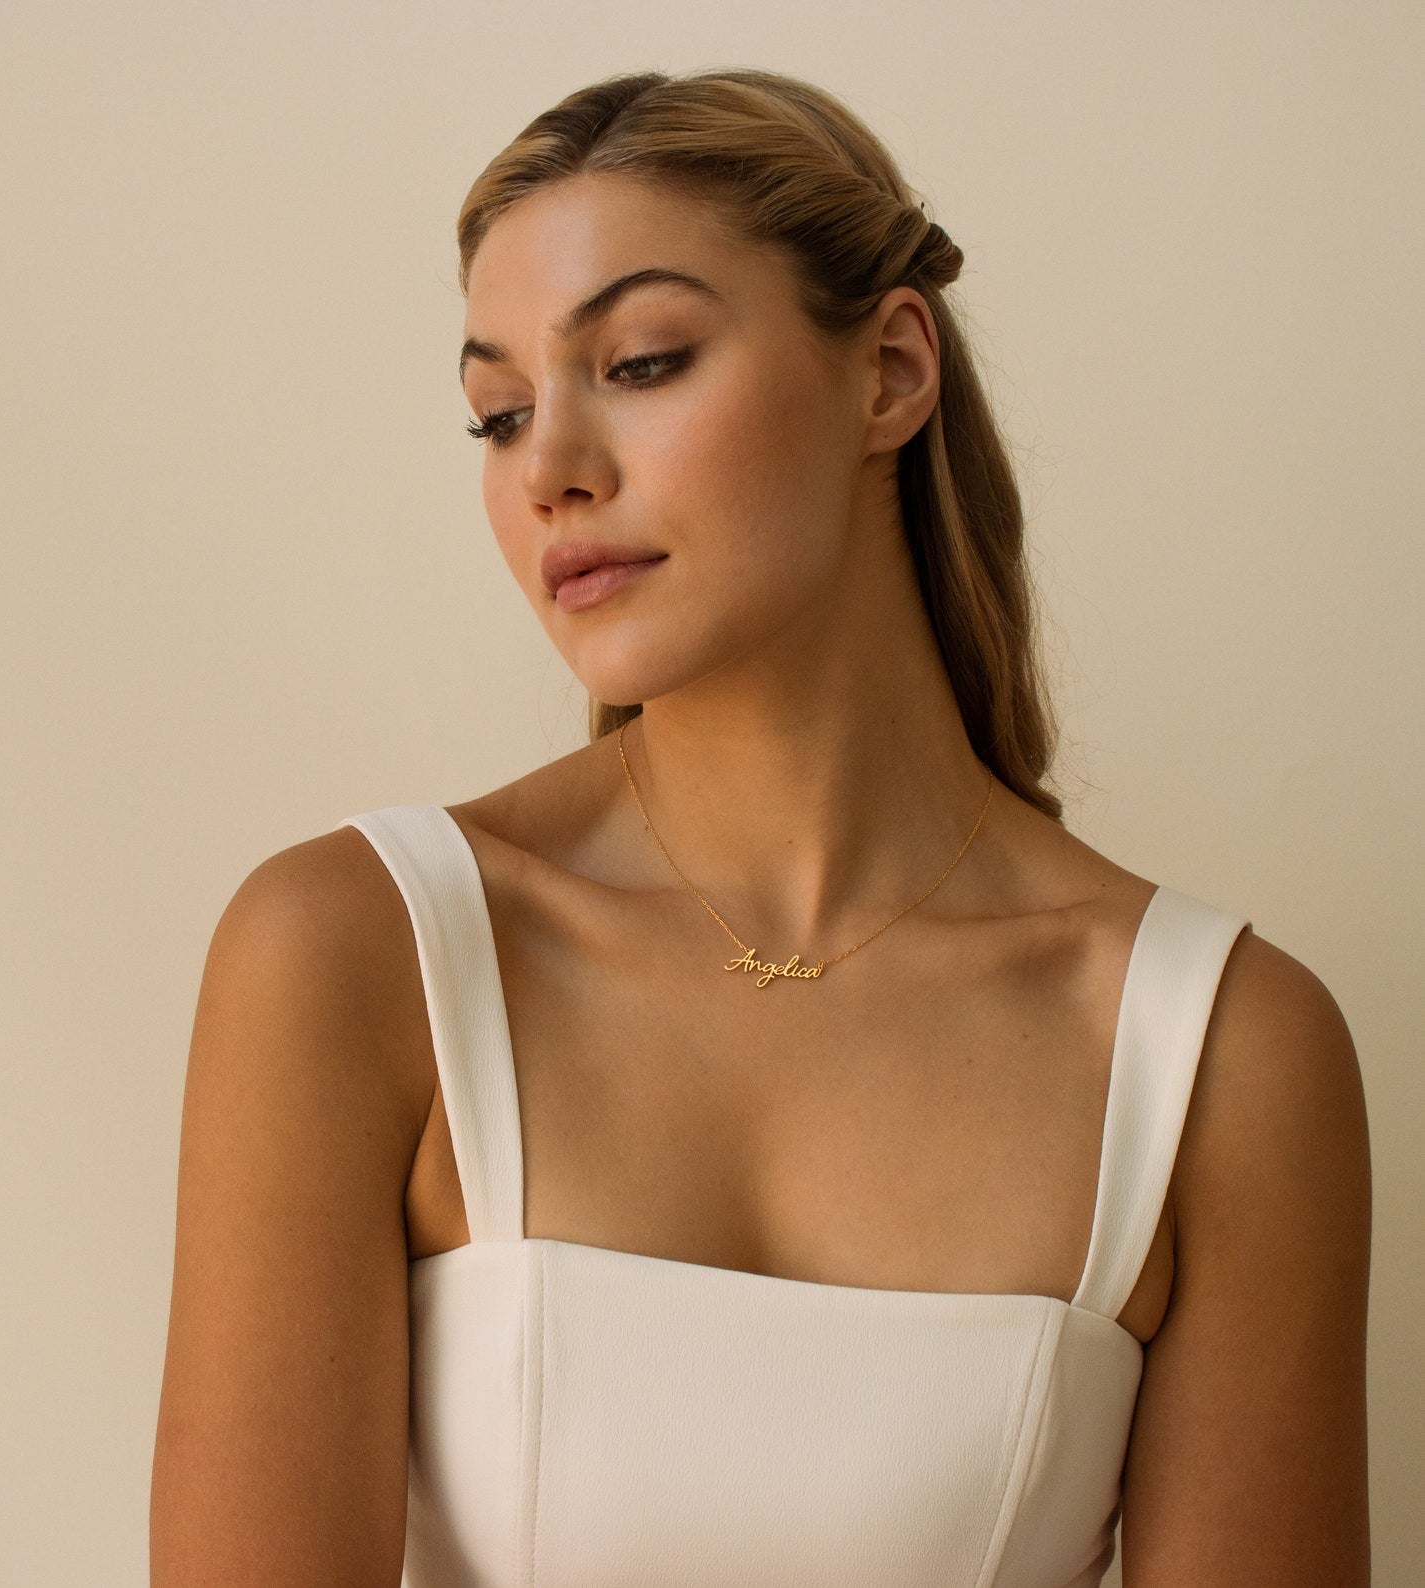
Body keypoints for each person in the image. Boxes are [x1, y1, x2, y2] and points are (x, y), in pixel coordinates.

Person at [149, 67, 1372, 1587]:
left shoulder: (1226, 1052)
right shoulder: (354, 958)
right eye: (498, 413)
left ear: (892, 373)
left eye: (645, 361)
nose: (550, 471)